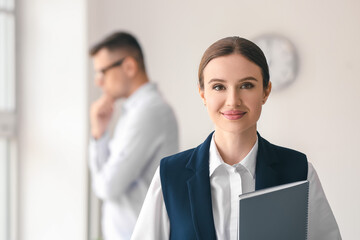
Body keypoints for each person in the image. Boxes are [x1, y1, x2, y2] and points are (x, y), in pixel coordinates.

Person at [131, 36, 342, 240]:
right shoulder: (170, 175)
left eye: (247, 85)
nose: (233, 101)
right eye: (218, 87)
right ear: (203, 94)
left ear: (266, 91)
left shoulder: (299, 171)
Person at [88, 32, 179, 240]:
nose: (98, 82)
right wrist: (99, 133)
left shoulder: (149, 111)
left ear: (129, 66)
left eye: (102, 72)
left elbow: (108, 187)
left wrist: (99, 138)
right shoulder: (133, 112)